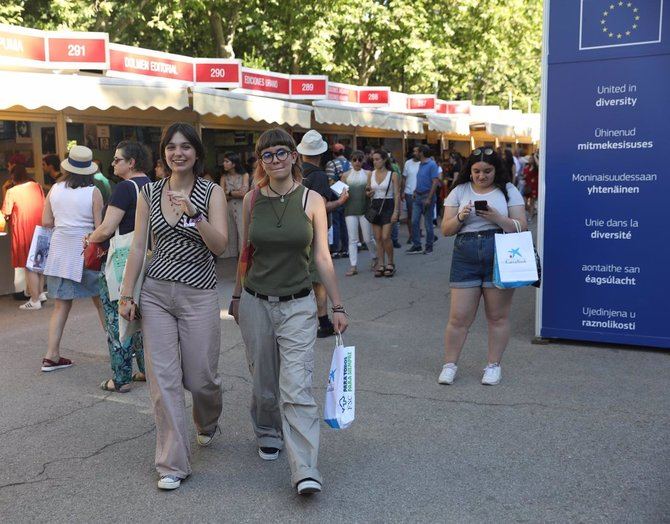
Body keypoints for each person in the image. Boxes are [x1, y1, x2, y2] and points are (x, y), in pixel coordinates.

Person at [230, 127, 348, 496]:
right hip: (255, 301)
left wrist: (337, 304)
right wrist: (235, 297)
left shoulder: (312, 199)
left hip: (299, 304)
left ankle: (305, 468)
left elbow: (322, 257)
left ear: (295, 156)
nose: (276, 160)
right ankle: (267, 431)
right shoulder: (251, 200)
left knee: (295, 386)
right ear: (261, 161)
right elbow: (245, 254)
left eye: (282, 153)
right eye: (268, 155)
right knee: (264, 380)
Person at [118, 122, 228, 491]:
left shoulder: (211, 192)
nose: (177, 153)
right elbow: (138, 246)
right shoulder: (148, 191)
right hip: (156, 295)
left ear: (197, 153)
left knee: (200, 378)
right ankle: (172, 464)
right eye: (170, 147)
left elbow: (220, 247)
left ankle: (207, 420)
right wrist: (127, 293)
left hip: (199, 295)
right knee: (163, 382)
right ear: (163, 152)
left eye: (185, 147)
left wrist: (195, 215)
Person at [439, 148, 526, 386]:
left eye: (487, 171)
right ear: (470, 170)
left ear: (496, 170)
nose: (481, 176)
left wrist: (497, 217)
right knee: (458, 317)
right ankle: (449, 365)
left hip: (499, 251)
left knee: (497, 316)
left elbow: (522, 227)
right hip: (465, 253)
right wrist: (460, 217)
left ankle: (493, 366)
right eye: (476, 171)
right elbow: (445, 230)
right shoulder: (459, 190)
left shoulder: (508, 190)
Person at [85, 141, 152, 393]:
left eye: (117, 159)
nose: (112, 163)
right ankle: (147, 368)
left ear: (131, 162)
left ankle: (120, 378)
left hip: (123, 260)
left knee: (117, 318)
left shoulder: (125, 187)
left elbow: (107, 228)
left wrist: (90, 238)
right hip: (149, 259)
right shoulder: (154, 185)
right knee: (142, 317)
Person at [41, 145, 105, 372]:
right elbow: (100, 227)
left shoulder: (55, 189)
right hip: (85, 250)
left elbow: (46, 221)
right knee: (101, 302)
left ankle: (51, 355)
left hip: (60, 252)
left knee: (61, 306)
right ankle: (117, 349)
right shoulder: (93, 192)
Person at [298, 130, 349, 338]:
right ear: (321, 154)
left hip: (297, 230)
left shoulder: (295, 172)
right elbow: (319, 207)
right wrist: (339, 202)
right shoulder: (318, 175)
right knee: (318, 276)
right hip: (314, 230)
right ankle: (323, 320)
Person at [1, 164, 47, 310]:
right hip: (41, 228)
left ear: (13, 177)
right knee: (38, 265)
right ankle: (39, 294)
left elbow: (6, 211)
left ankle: (34, 300)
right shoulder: (37, 186)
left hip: (24, 230)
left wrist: (4, 190)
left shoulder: (12, 191)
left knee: (29, 266)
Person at [340, 150, 376, 276]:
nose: (357, 162)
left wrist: (370, 193)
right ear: (351, 160)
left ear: (363, 160)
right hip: (350, 210)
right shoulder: (345, 175)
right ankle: (353, 265)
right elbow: (341, 192)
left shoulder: (368, 174)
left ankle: (375, 257)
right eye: (354, 159)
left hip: (365, 209)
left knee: (368, 238)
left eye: (360, 159)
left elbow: (371, 190)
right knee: (353, 239)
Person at [365, 149, 400, 277]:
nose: (375, 162)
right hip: (375, 206)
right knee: (378, 238)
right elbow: (368, 190)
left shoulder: (393, 175)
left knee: (386, 237)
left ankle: (390, 262)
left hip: (388, 205)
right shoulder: (371, 174)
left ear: (384, 160)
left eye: (377, 159)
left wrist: (396, 212)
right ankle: (381, 264)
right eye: (373, 159)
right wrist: (368, 193)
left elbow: (396, 194)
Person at [406, 145, 440, 255]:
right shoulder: (421, 164)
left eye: (416, 151)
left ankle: (429, 246)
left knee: (427, 223)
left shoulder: (432, 164)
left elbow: (435, 182)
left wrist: (429, 198)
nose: (414, 153)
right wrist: (415, 191)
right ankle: (417, 245)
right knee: (414, 221)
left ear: (421, 153)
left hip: (426, 196)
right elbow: (420, 179)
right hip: (418, 195)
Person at [221, 151, 249, 256]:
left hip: (242, 207)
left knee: (242, 231)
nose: (224, 163)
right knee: (230, 231)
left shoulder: (244, 175)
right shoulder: (223, 177)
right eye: (224, 161)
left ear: (234, 163)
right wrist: (234, 192)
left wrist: (229, 193)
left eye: (227, 161)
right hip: (228, 208)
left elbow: (243, 193)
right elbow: (222, 195)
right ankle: (232, 255)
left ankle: (244, 255)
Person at [325, 143, 351, 257]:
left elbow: (329, 181)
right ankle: (346, 248)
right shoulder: (350, 164)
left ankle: (335, 249)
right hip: (347, 195)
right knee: (344, 223)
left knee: (335, 222)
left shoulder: (331, 164)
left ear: (334, 153)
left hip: (335, 196)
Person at [401, 146, 421, 244]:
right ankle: (411, 235)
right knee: (410, 215)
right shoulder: (407, 163)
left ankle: (417, 233)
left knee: (417, 216)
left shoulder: (423, 163)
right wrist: (402, 191)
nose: (415, 153)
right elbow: (404, 177)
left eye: (417, 151)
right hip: (409, 192)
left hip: (420, 193)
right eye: (414, 151)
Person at [523, 153, 539, 218]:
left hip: (534, 187)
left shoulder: (536, 168)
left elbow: (539, 165)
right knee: (525, 203)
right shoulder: (527, 167)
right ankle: (533, 211)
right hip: (527, 187)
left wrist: (535, 156)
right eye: (529, 158)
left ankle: (531, 215)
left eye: (531, 158)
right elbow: (524, 175)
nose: (529, 159)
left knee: (532, 203)